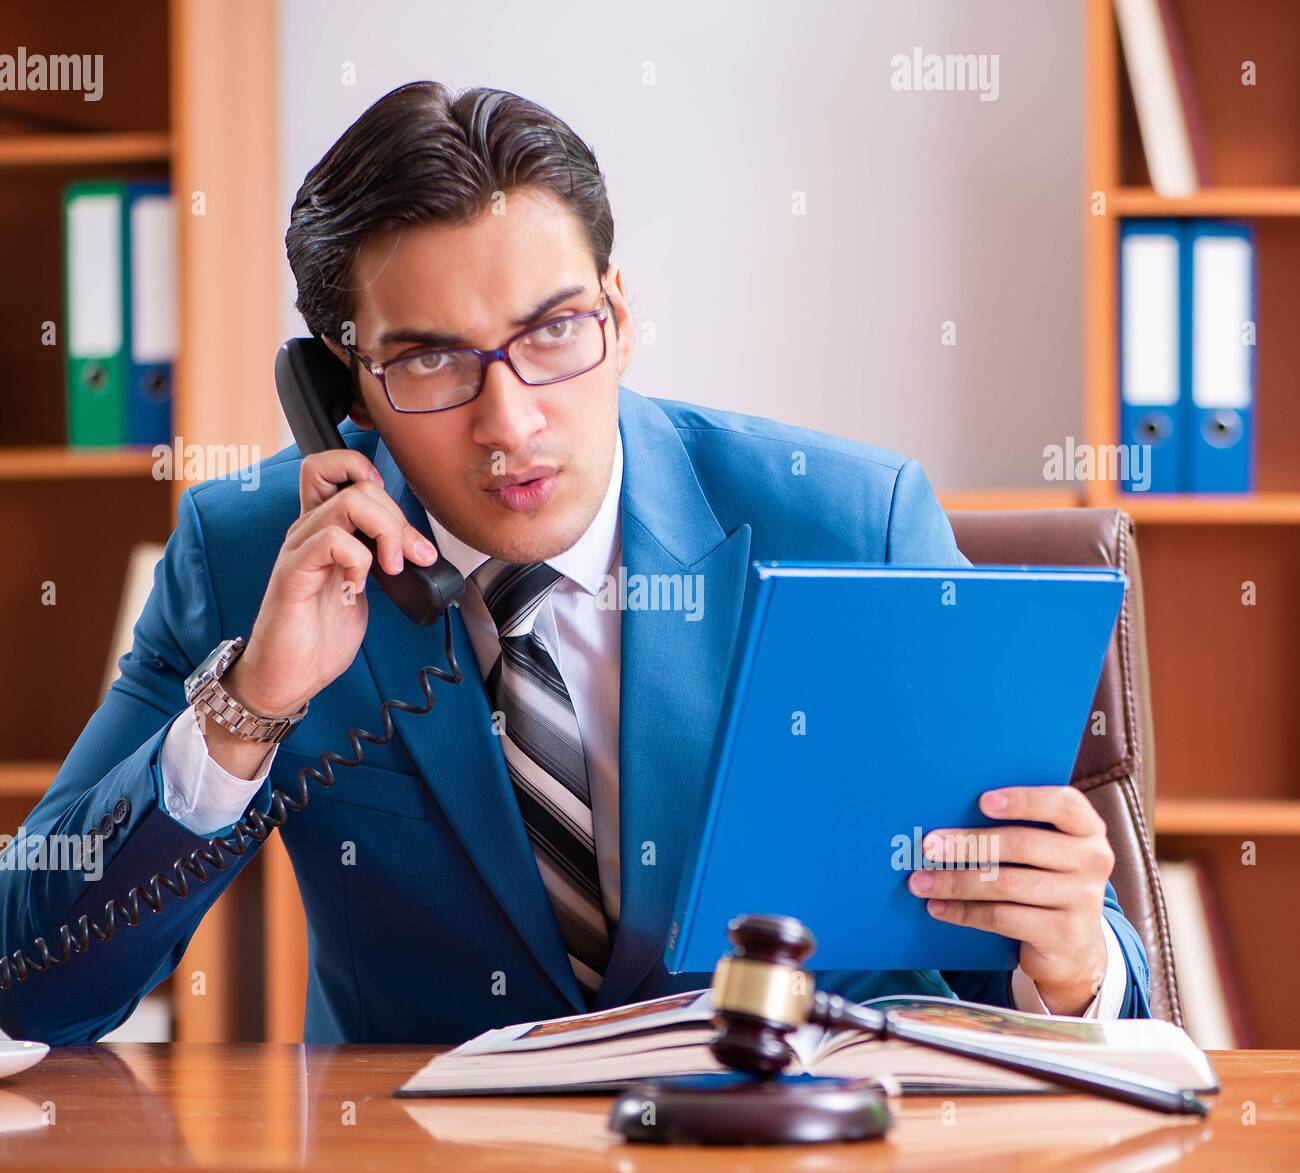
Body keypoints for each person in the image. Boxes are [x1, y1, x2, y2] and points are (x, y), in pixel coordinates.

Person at [0, 82, 1150, 1044]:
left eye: (554, 330)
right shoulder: (250, 555)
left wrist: (1069, 955)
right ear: (344, 394)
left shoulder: (852, 523)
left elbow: (1045, 979)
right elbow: (34, 975)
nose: (511, 422)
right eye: (430, 361)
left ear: (619, 313)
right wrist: (249, 710)